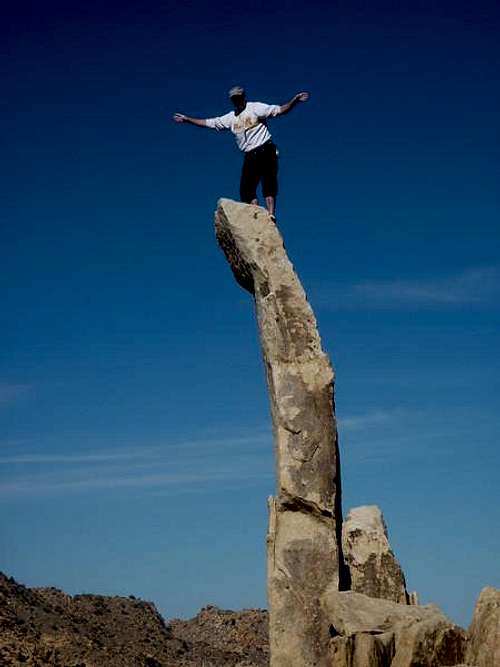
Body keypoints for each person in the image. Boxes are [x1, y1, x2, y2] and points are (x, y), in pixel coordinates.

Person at [173, 87, 309, 220]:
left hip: (266, 149)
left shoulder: (255, 108)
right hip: (250, 155)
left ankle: (271, 214)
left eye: (239, 98)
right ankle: (256, 214)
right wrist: (187, 120)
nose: (237, 102)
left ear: (244, 98)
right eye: (234, 100)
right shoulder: (230, 118)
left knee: (269, 182)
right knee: (246, 188)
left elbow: (279, 110)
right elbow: (209, 123)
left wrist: (294, 101)